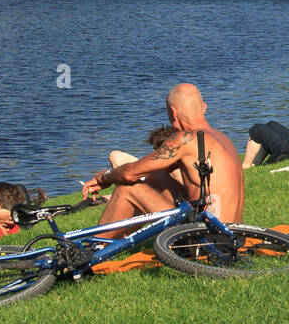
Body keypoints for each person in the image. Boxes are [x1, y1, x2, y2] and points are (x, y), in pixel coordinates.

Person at [81, 83, 243, 233]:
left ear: (173, 112)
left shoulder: (185, 139)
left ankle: (95, 248)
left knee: (127, 189)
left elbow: (129, 173)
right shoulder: (222, 139)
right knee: (157, 176)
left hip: (207, 236)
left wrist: (103, 177)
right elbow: (147, 169)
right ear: (204, 108)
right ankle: (122, 236)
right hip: (230, 233)